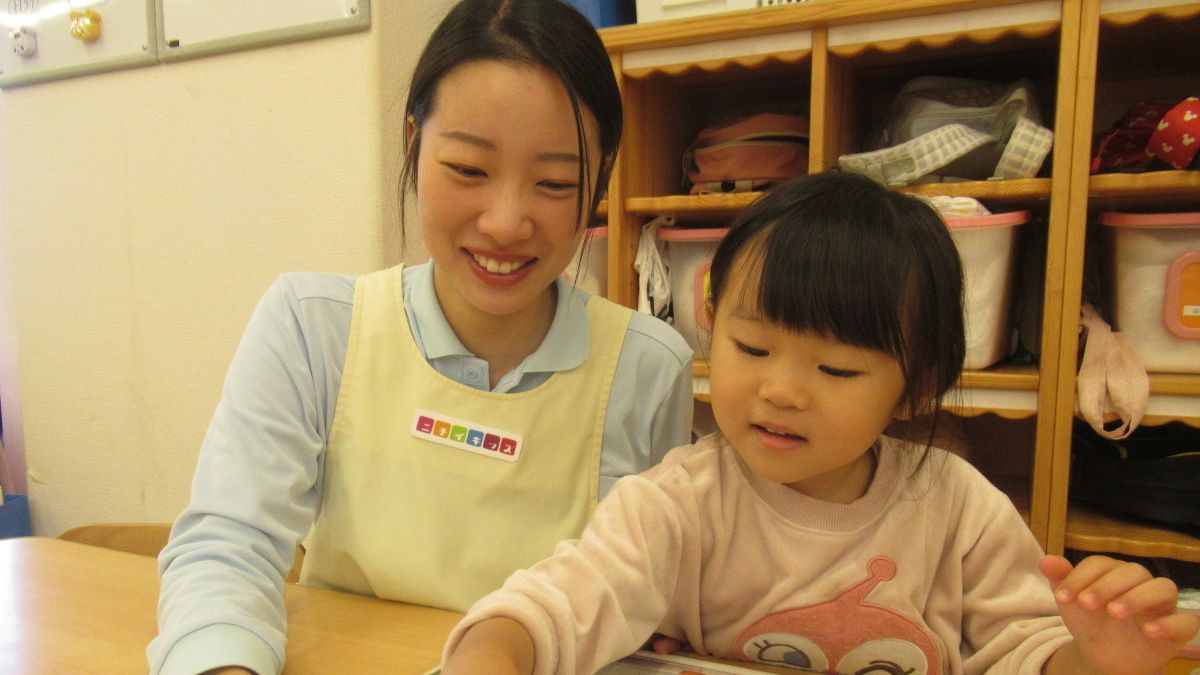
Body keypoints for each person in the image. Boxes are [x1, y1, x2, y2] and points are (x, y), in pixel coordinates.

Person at [441, 172, 1200, 674]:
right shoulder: (678, 501)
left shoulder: (956, 506)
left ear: (915, 389)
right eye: (751, 345)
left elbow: (1024, 650)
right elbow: (568, 598)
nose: (780, 390)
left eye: (835, 370)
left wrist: (1093, 655)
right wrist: (496, 650)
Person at [148, 1, 694, 673]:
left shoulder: (646, 369)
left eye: (554, 182)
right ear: (413, 143)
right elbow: (227, 545)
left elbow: (644, 606)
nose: (504, 221)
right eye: (468, 169)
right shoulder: (313, 326)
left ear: (598, 183)